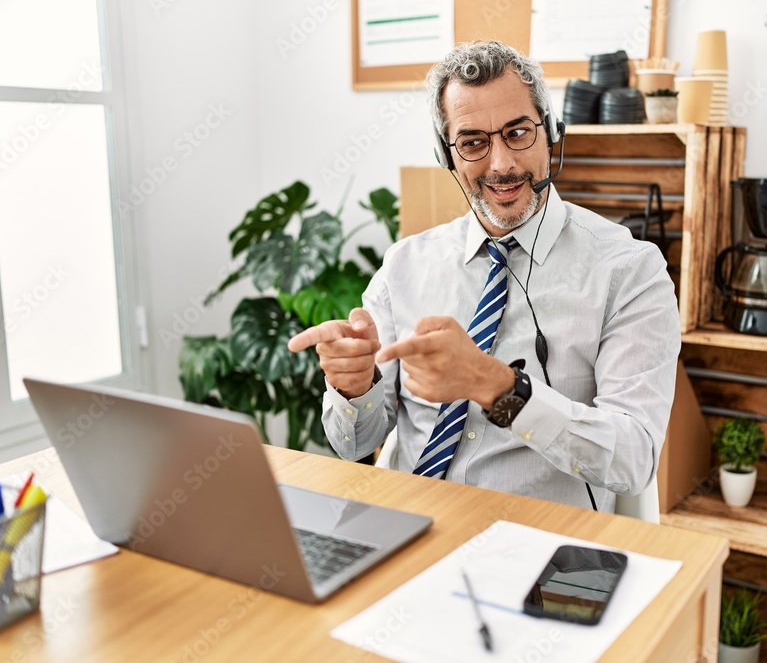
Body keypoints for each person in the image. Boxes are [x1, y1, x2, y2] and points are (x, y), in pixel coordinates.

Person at [288, 41, 680, 511]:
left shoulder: (630, 270)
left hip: (542, 554)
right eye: (473, 142)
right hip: (408, 531)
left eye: (518, 133)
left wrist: (498, 388)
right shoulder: (405, 266)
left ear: (551, 132)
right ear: (446, 155)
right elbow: (353, 444)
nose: (502, 165)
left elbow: (633, 459)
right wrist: (356, 385)